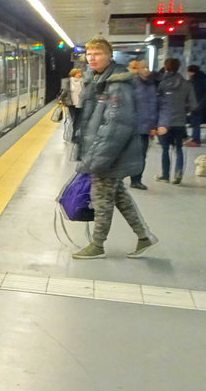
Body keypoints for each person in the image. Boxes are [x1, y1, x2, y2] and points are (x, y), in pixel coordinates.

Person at [71, 36, 157, 260]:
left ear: (109, 56)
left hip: (110, 154)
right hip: (104, 152)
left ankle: (97, 245)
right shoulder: (97, 79)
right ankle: (144, 236)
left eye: (97, 54)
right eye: (89, 54)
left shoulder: (117, 84)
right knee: (119, 196)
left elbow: (116, 125)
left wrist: (97, 159)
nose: (92, 58)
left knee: (101, 200)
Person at [153, 58, 195, 184]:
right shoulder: (186, 84)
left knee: (165, 149)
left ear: (165, 67)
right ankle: (178, 173)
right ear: (178, 68)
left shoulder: (161, 83)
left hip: (163, 122)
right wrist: (183, 109)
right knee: (179, 148)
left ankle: (165, 176)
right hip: (180, 122)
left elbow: (156, 102)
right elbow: (193, 104)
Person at [126, 59, 157, 189]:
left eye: (147, 67)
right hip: (129, 125)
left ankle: (136, 179)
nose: (146, 70)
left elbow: (154, 105)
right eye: (143, 67)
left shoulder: (151, 85)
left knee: (141, 155)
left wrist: (153, 125)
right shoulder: (130, 84)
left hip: (144, 127)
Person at [185, 65, 206, 146]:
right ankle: (194, 139)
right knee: (196, 123)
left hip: (196, 105)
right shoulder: (202, 79)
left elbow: (193, 94)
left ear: (191, 72)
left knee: (195, 123)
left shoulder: (195, 81)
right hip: (201, 104)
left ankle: (195, 140)